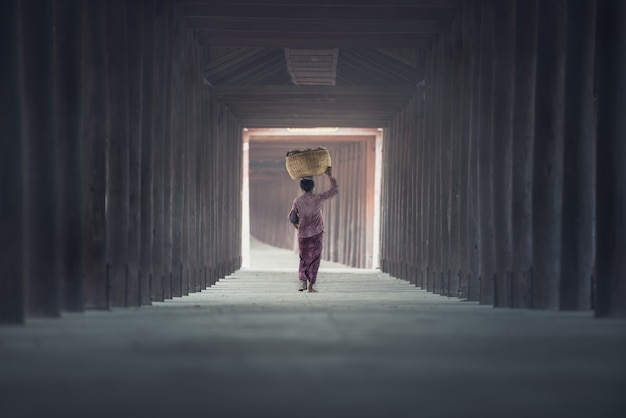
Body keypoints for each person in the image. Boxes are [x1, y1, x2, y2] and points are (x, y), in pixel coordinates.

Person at [288, 166, 338, 292]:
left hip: (303, 234)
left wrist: (297, 226)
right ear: (313, 187)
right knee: (315, 258)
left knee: (303, 258)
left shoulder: (297, 201)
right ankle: (311, 286)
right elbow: (334, 191)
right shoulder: (318, 198)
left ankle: (303, 283)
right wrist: (330, 176)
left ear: (302, 188)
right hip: (317, 233)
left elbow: (292, 217)